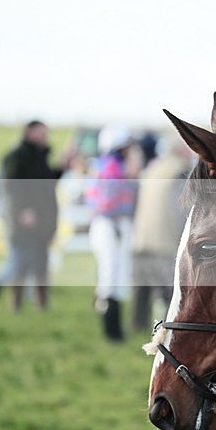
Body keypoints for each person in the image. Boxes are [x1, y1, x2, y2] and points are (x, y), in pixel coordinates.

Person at [0, 120, 65, 311]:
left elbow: (48, 183)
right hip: (23, 222)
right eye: (41, 133)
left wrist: (61, 167)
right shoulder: (16, 156)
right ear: (29, 132)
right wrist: (23, 211)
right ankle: (14, 306)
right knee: (21, 265)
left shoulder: (39, 157)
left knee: (41, 264)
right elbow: (11, 188)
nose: (45, 137)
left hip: (42, 222)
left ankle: (41, 306)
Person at [84, 125, 141, 341]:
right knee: (111, 278)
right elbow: (108, 203)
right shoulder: (112, 167)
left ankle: (114, 330)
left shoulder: (106, 165)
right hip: (111, 226)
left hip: (108, 225)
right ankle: (112, 331)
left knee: (113, 277)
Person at [131, 135, 192, 331]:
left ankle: (137, 329)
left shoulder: (151, 169)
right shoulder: (181, 172)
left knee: (141, 293)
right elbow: (182, 209)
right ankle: (166, 332)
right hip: (165, 242)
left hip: (141, 240)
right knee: (170, 294)